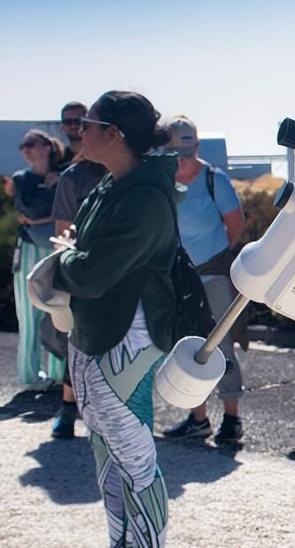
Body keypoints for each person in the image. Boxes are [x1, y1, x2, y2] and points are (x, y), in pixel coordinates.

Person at [52, 90, 177, 546]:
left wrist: (61, 264)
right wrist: (72, 259)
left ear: (114, 133)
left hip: (126, 337)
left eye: (86, 124)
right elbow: (84, 258)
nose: (77, 131)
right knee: (108, 453)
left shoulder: (144, 196)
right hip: (96, 332)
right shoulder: (110, 185)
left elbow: (91, 270)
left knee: (136, 459)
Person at [157, 116, 247, 444]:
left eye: (187, 148)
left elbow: (234, 223)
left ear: (196, 146)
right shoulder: (164, 181)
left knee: (222, 345)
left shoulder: (213, 179)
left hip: (212, 273)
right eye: (175, 150)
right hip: (179, 276)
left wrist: (214, 256)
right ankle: (198, 418)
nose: (182, 157)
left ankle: (232, 419)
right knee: (187, 345)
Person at [50, 100, 108, 438]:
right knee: (76, 342)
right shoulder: (73, 177)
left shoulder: (128, 173)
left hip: (123, 273)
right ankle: (68, 407)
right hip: (83, 274)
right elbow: (61, 232)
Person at [10, 129, 70, 389]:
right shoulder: (22, 179)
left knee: (58, 311)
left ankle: (58, 374)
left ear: (47, 147)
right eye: (23, 145)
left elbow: (67, 208)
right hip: (31, 247)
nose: (26, 150)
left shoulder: (65, 175)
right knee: (28, 314)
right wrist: (50, 187)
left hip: (56, 245)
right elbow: (31, 208)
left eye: (31, 144)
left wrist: (42, 217)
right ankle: (29, 375)